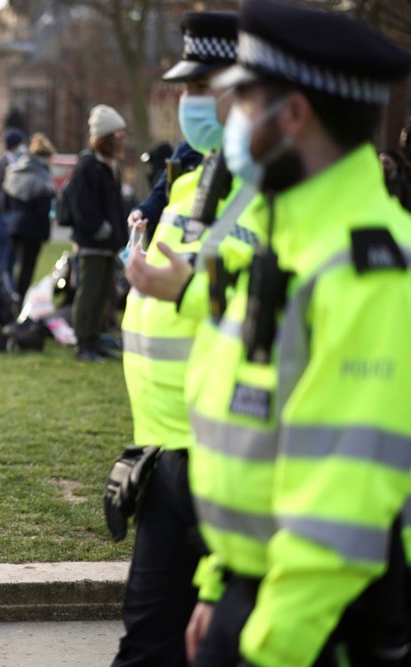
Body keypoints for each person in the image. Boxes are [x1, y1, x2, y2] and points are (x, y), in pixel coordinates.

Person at [138, 2, 411, 665]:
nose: (228, 118)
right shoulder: (291, 240)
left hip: (309, 627)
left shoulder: (365, 267)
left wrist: (265, 645)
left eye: (242, 98)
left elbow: (341, 508)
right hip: (249, 594)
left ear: (291, 116)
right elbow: (254, 442)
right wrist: (219, 582)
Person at [110, 11, 243, 667]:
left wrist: (181, 291)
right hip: (164, 454)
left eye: (204, 86)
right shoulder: (191, 184)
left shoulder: (276, 195)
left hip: (223, 456)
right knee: (149, 640)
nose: (189, 101)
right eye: (186, 86)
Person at [67, 104, 128, 361]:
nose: (121, 138)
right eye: (117, 133)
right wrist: (101, 230)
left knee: (103, 294)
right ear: (105, 136)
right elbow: (83, 207)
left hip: (108, 244)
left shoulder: (110, 165)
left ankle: (95, 339)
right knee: (89, 294)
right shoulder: (87, 166)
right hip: (92, 244)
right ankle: (83, 343)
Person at [3, 132, 57, 303]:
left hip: (14, 225)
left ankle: (10, 296)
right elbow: (43, 209)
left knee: (11, 266)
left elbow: (6, 200)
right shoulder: (42, 176)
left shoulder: (17, 170)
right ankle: (20, 300)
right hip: (33, 228)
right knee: (27, 267)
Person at [0, 127, 27, 285]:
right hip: (3, 216)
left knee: (13, 259)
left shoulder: (19, 162)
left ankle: (10, 288)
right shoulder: (0, 163)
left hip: (15, 217)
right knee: (1, 258)